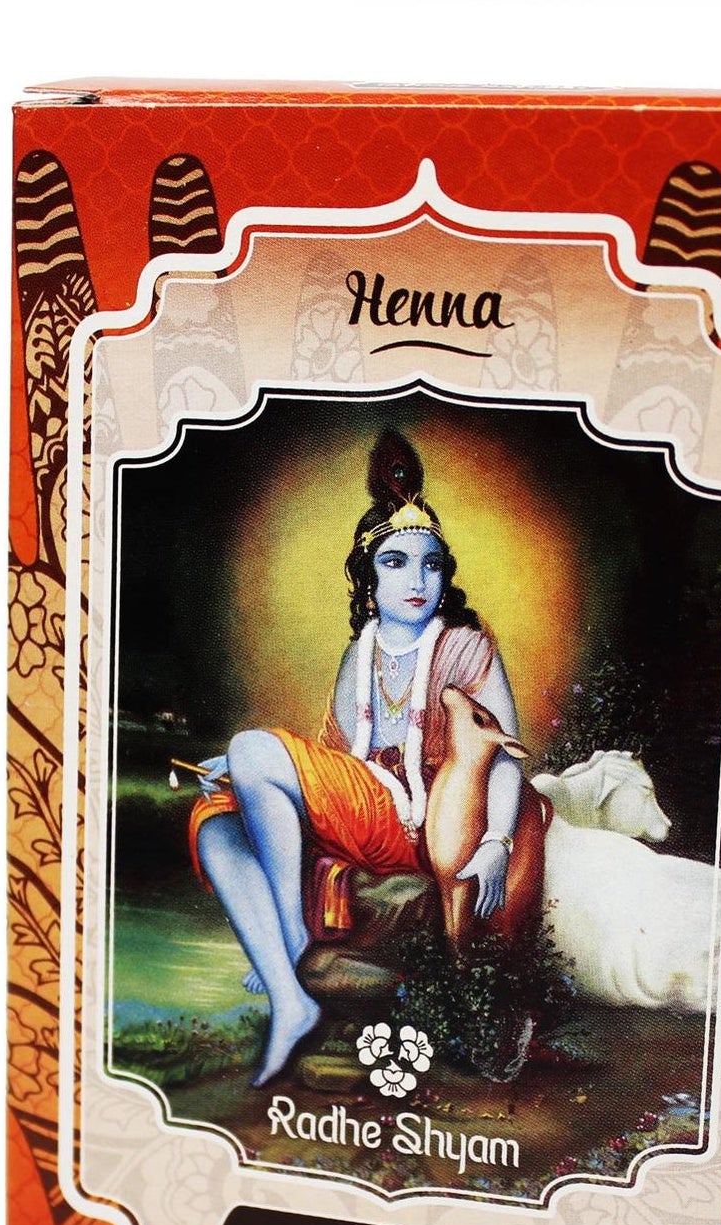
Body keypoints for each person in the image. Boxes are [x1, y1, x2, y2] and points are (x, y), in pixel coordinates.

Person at [188, 430, 532, 1086]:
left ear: (446, 576)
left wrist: (495, 841)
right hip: (364, 809)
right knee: (216, 820)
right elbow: (333, 758)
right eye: (396, 563)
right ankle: (291, 996)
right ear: (368, 580)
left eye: (431, 564)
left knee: (252, 748)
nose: (417, 580)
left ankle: (293, 945)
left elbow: (506, 756)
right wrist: (242, 768)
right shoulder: (361, 653)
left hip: (427, 825)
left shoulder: (467, 646)